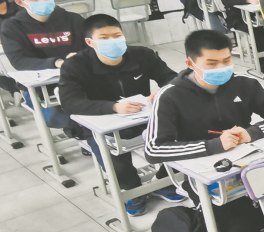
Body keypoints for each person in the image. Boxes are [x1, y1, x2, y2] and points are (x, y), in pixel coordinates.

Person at [59, 14, 183, 215]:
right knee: (112, 155)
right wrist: (113, 107)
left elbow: (171, 78)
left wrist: (163, 91)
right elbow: (70, 102)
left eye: (117, 36)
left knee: (186, 131)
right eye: (104, 38)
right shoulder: (75, 65)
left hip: (142, 115)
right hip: (99, 122)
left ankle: (164, 181)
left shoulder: (142, 55)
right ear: (90, 42)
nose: (113, 41)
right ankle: (132, 190)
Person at [144, 29, 264, 164]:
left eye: (226, 61)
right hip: (201, 165)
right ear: (190, 63)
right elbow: (154, 150)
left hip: (247, 156)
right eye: (212, 63)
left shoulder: (244, 83)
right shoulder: (170, 96)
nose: (221, 68)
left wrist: (253, 132)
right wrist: (214, 145)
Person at [0, 0, 87, 131]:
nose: (42, 1)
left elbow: (90, 46)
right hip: (41, 87)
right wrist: (57, 63)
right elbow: (19, 61)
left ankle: (89, 135)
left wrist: (80, 58)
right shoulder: (12, 27)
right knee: (59, 118)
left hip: (79, 79)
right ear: (20, 2)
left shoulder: (73, 19)